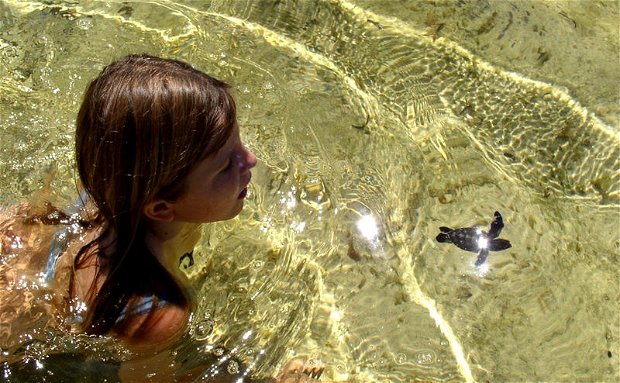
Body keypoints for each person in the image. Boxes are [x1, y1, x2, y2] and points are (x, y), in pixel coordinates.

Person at [0, 55, 331, 382]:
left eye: (238, 145)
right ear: (160, 208)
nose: (251, 159)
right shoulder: (157, 312)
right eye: (226, 165)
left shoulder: (113, 189)